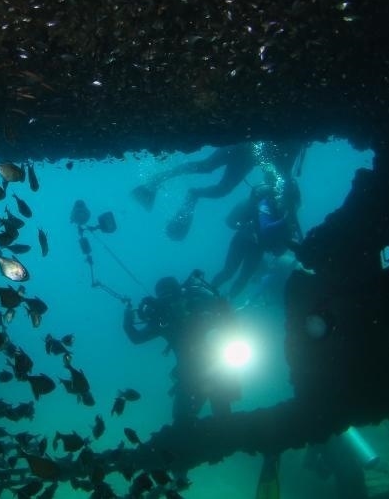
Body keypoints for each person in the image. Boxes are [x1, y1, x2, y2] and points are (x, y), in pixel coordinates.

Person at [123, 272, 240, 424]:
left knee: (218, 412)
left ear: (182, 294)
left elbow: (227, 319)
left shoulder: (198, 306)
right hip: (192, 374)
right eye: (166, 299)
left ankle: (221, 430)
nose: (172, 303)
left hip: (214, 369)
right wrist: (127, 319)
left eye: (174, 297)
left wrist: (127, 321)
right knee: (184, 420)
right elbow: (136, 338)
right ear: (161, 301)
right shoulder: (162, 319)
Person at [212, 170, 310, 300]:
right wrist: (285, 220)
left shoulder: (285, 208)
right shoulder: (266, 202)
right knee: (230, 272)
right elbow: (266, 228)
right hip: (244, 239)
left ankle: (227, 300)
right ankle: (209, 293)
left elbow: (283, 245)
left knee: (242, 276)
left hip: (257, 246)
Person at [132, 143, 258, 240]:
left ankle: (168, 182)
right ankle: (162, 180)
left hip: (245, 152)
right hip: (245, 151)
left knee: (211, 173)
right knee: (214, 177)